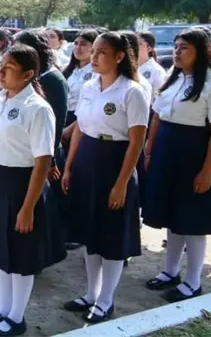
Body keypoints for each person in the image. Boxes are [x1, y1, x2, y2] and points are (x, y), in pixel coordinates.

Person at [0, 44, 66, 336]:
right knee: (2, 251)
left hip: (23, 185)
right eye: (0, 66)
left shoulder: (37, 109)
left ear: (28, 75)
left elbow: (42, 161)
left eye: (8, 69)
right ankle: (2, 309)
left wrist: (28, 207)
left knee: (22, 254)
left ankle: (16, 316)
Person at [61, 32, 149, 323]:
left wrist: (122, 183)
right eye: (94, 51)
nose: (94, 57)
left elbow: (136, 141)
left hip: (115, 162)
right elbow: (80, 130)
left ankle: (106, 300)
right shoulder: (89, 86)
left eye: (102, 52)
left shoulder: (131, 91)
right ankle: (90, 293)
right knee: (91, 233)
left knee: (111, 236)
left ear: (120, 56)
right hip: (88, 159)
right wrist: (70, 167)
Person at [143, 28, 211, 303]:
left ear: (201, 51)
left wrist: (207, 171)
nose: (176, 52)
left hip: (194, 154)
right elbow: (157, 116)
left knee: (192, 220)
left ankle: (193, 281)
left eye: (184, 48)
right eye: (176, 46)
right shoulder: (172, 77)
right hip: (168, 152)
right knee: (172, 216)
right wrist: (149, 148)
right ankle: (170, 271)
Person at [138, 31, 168, 98]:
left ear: (149, 48)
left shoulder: (157, 71)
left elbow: (159, 98)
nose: (134, 47)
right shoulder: (129, 68)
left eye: (139, 44)